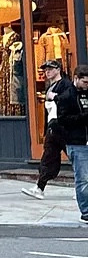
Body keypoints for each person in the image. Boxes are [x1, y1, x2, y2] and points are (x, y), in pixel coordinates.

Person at [22, 59, 72, 199]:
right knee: (49, 157)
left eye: (50, 69)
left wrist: (55, 97)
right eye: (46, 69)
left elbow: (69, 100)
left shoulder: (65, 84)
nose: (47, 72)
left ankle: (81, 188)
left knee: (75, 156)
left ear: (58, 69)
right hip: (53, 127)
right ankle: (40, 187)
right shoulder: (51, 86)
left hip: (62, 126)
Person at [52, 64, 88, 223]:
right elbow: (63, 120)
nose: (86, 85)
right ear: (76, 78)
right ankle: (86, 211)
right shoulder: (66, 96)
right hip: (77, 142)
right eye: (84, 82)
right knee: (83, 178)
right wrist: (83, 117)